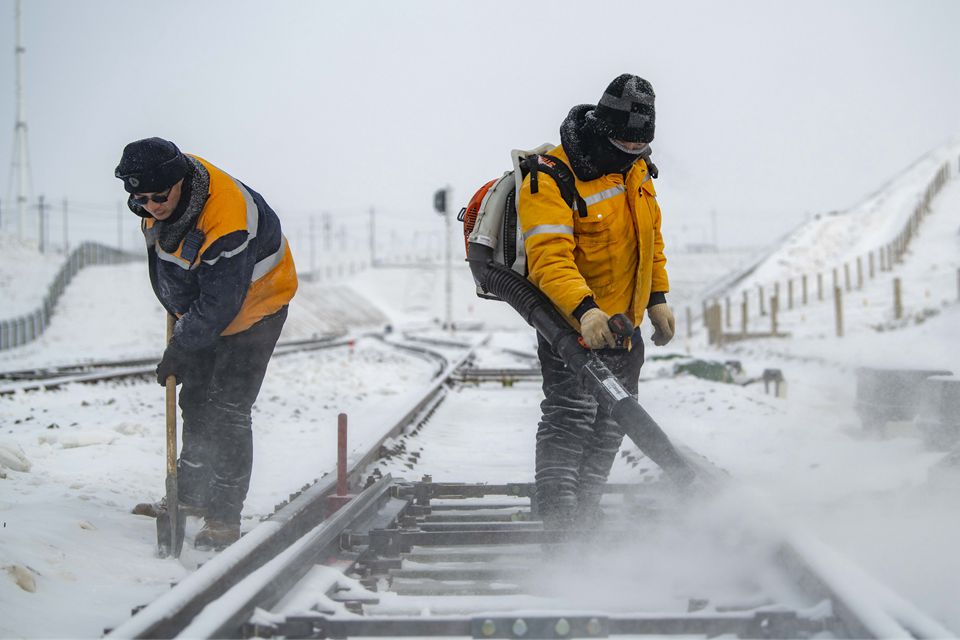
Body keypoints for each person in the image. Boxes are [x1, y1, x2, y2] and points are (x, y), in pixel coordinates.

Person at [117, 137, 298, 549]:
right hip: (204, 311)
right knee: (196, 403)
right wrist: (183, 322)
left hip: (256, 308)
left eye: (159, 196)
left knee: (228, 410)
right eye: (141, 198)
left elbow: (222, 300)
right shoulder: (157, 202)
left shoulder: (226, 216)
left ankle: (222, 516)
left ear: (179, 182)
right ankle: (189, 496)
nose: (152, 205)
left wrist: (181, 346)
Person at [517, 74, 676, 530]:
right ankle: (558, 528)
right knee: (570, 422)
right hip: (572, 327)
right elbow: (549, 260)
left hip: (626, 327)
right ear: (602, 131)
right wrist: (585, 312)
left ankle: (582, 521)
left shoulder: (638, 168)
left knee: (611, 427)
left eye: (640, 150)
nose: (633, 157)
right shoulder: (550, 176)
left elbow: (651, 240)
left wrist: (659, 297)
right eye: (626, 148)